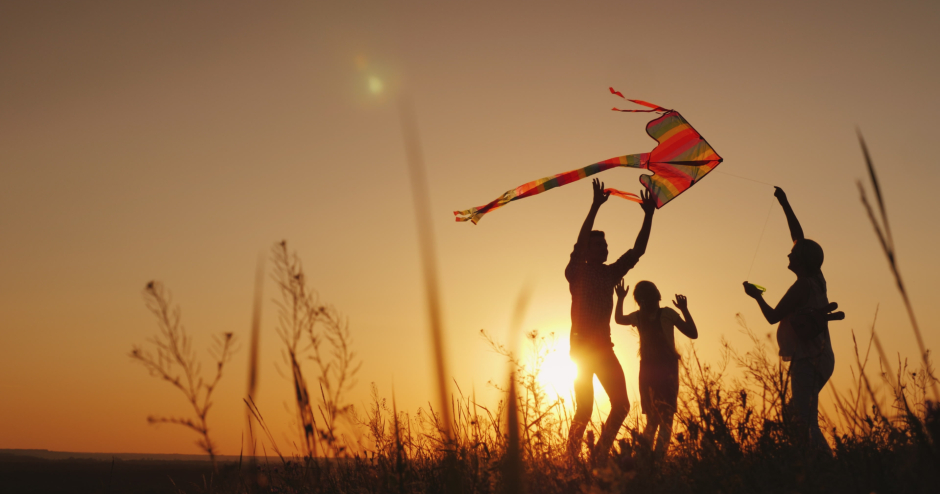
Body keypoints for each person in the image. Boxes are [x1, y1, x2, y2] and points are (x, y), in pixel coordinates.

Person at [743, 186, 841, 454]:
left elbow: (773, 316)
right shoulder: (817, 278)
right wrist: (784, 204)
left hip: (807, 361)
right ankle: (807, 463)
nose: (788, 253)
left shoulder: (801, 287)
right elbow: (799, 236)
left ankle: (826, 467)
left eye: (792, 253)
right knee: (794, 416)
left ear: (800, 260)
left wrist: (755, 296)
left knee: (805, 420)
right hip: (822, 359)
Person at [566, 178, 656, 462]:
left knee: (621, 405)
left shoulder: (610, 273)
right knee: (584, 409)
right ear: (587, 251)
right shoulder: (576, 272)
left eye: (606, 244)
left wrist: (649, 215)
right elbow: (579, 244)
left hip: (604, 348)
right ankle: (570, 460)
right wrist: (594, 207)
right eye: (599, 245)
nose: (605, 248)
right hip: (581, 350)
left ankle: (598, 456)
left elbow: (637, 251)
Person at [614, 280, 698, 457]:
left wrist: (620, 298)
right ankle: (652, 460)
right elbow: (693, 332)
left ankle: (650, 460)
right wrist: (684, 309)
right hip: (658, 370)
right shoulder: (655, 315)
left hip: (657, 370)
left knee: (658, 419)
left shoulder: (658, 314)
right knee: (659, 419)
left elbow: (692, 333)